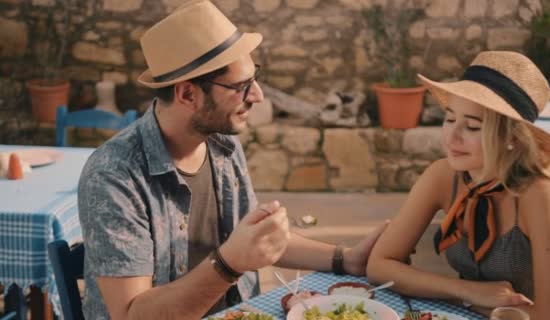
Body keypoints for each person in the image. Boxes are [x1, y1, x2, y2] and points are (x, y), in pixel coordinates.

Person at [77, 1, 387, 319]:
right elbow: (132, 315)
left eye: (254, 79)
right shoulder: (114, 175)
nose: (257, 95)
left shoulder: (222, 143)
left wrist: (347, 258)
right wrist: (228, 265)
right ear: (187, 94)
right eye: (240, 87)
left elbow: (253, 242)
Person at [366, 51, 550, 319]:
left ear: (512, 138)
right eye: (450, 119)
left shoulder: (537, 194)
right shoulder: (443, 176)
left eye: (472, 127)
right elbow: (380, 266)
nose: (452, 136)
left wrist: (472, 302)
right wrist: (469, 292)